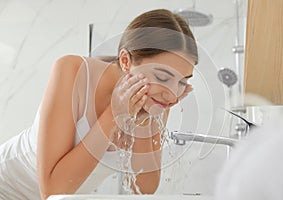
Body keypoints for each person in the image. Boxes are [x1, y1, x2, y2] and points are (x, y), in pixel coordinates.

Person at [0, 9, 198, 200]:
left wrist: (143, 120)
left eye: (182, 81)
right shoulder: (73, 71)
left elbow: (144, 189)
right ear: (125, 60)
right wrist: (114, 115)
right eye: (162, 77)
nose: (172, 95)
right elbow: (52, 191)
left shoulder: (156, 98)